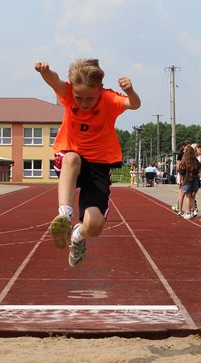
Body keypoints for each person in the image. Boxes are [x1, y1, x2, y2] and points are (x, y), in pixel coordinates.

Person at [37, 58, 141, 268]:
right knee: (71, 158)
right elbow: (55, 80)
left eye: (89, 98)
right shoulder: (68, 95)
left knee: (95, 225)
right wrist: (44, 72)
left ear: (100, 89)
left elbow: (134, 104)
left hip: (99, 165)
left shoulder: (109, 100)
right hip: (70, 156)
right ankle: (65, 216)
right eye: (79, 98)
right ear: (72, 90)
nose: (83, 103)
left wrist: (130, 91)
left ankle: (77, 236)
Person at [176, 143, 201, 218]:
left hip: (186, 180)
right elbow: (199, 168)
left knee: (188, 196)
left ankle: (188, 212)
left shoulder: (184, 161)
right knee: (192, 196)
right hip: (195, 180)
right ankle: (193, 211)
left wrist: (181, 181)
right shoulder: (195, 160)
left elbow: (181, 171)